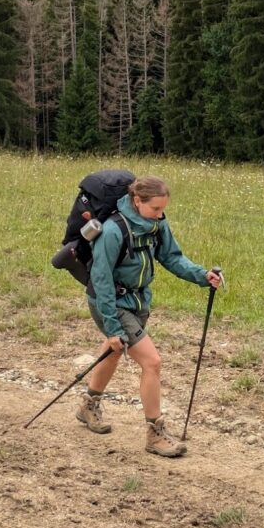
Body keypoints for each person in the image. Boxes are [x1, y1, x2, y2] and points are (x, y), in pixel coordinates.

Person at [76, 175, 224, 457]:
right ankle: (155, 433)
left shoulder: (157, 225)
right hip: (110, 302)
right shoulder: (111, 231)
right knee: (152, 362)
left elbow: (172, 257)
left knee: (113, 352)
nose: (160, 214)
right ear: (136, 201)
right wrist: (112, 326)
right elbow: (102, 280)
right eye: (155, 209)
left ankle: (88, 405)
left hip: (137, 300)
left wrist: (202, 276)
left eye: (162, 209)